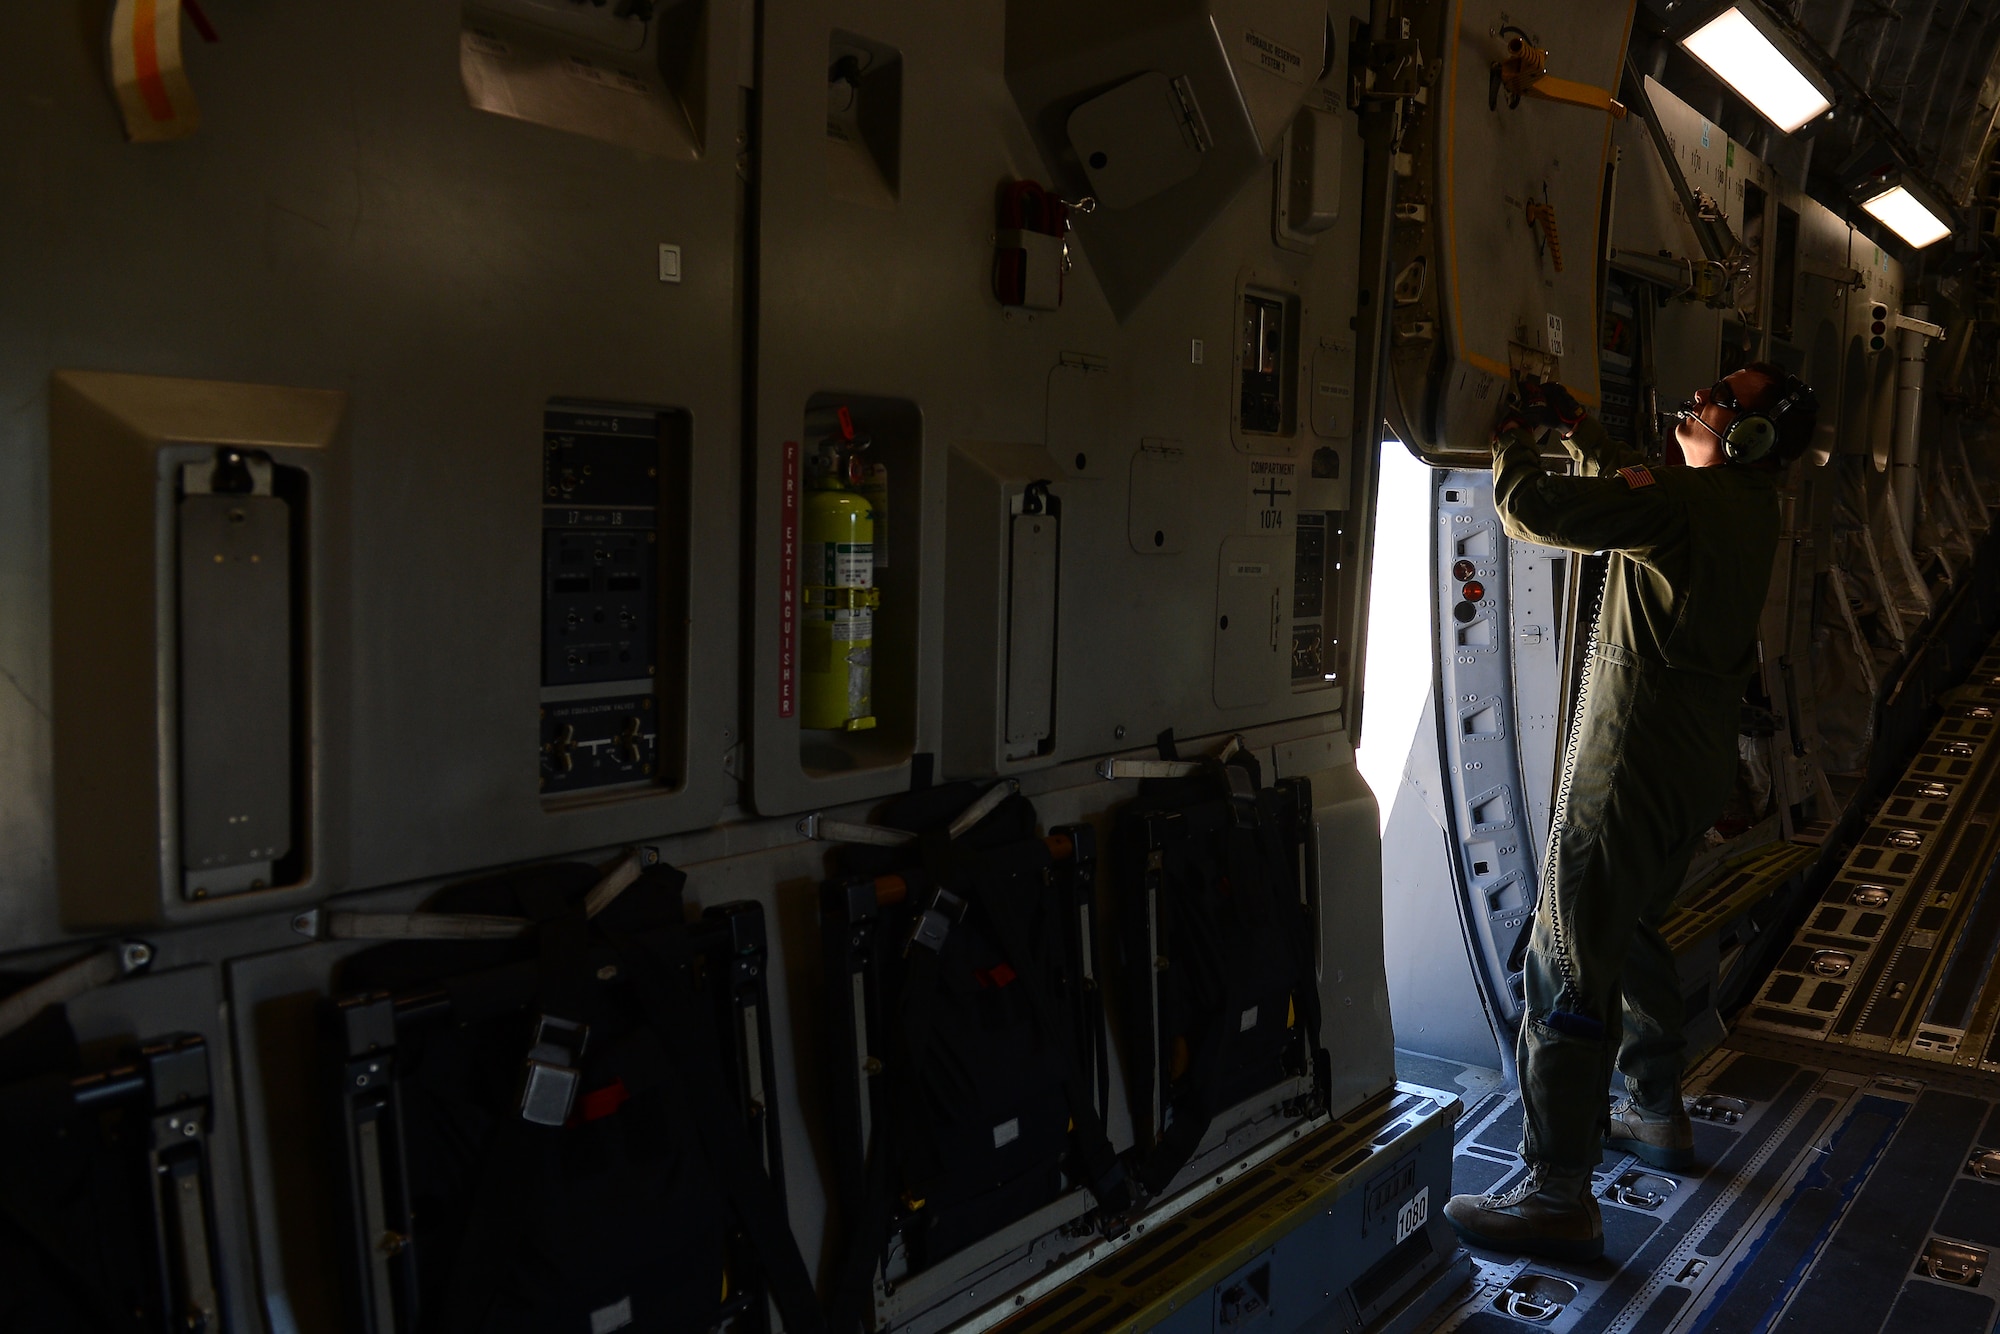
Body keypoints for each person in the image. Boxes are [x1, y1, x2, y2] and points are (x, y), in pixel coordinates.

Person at [1442, 364, 1818, 1260]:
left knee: (1566, 953)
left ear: (1750, 436)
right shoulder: (1750, 504)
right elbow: (1644, 487)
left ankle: (1557, 1194)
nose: (1694, 400)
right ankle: (1653, 1109)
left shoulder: (1686, 502)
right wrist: (1579, 428)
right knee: (1637, 924)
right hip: (1692, 760)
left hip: (1630, 759)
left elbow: (1532, 513)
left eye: (1718, 398)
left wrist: (1510, 443)